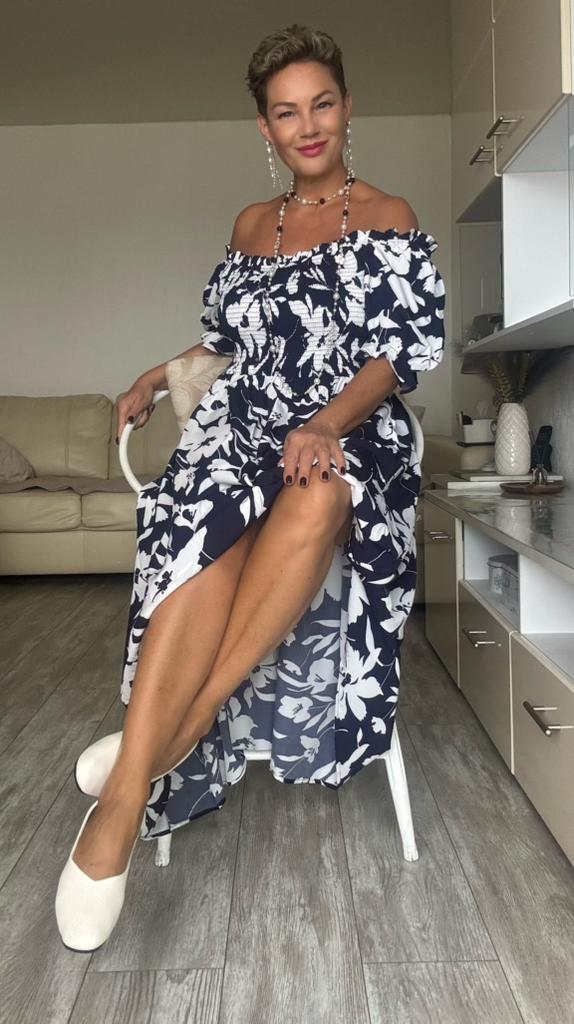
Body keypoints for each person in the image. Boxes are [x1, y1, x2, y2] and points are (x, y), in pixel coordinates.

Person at [55, 22, 445, 952]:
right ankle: (147, 775)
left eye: (322, 104)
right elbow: (231, 342)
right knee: (205, 522)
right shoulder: (249, 226)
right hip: (246, 424)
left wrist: (327, 425)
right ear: (265, 129)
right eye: (286, 112)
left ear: (347, 109)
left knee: (320, 490)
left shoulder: (389, 214)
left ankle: (153, 757)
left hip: (349, 428)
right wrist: (160, 372)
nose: (307, 126)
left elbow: (396, 356)